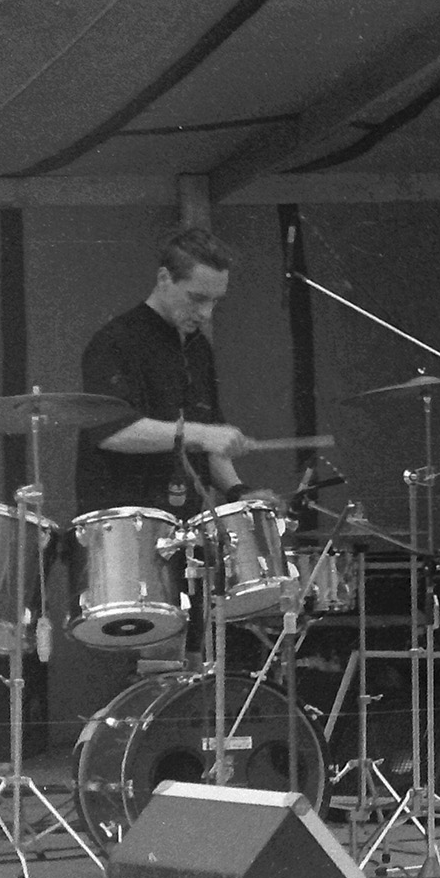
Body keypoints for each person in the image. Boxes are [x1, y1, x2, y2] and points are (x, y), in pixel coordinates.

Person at [73, 226, 277, 661]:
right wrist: (203, 433)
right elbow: (112, 432)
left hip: (187, 529)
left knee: (195, 655)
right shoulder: (116, 342)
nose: (205, 313)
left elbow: (207, 440)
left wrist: (238, 492)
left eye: (215, 301)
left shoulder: (197, 349)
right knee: (160, 654)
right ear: (164, 278)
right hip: (131, 534)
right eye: (196, 298)